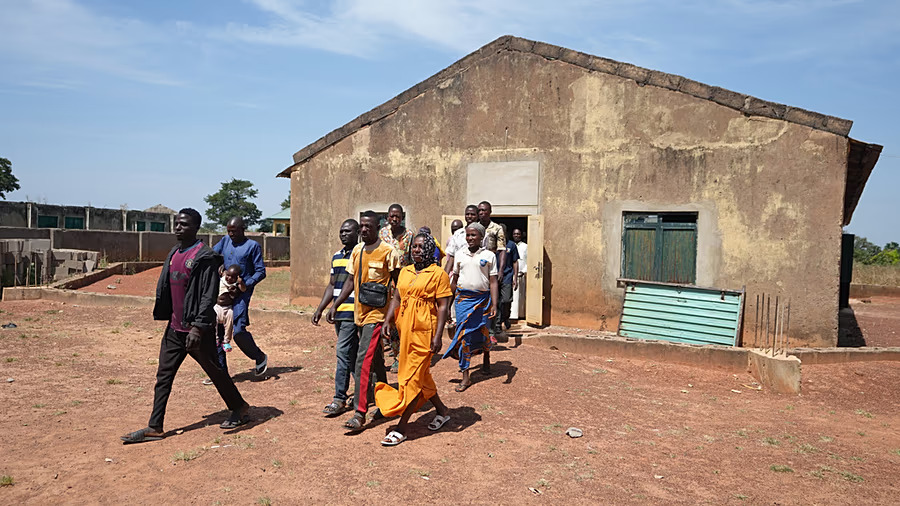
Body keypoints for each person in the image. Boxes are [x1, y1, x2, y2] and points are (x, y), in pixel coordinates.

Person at [120, 209, 250, 444]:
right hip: (174, 329)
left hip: (197, 330)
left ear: (196, 228)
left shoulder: (205, 256)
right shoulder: (174, 252)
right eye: (177, 223)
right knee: (164, 375)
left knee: (215, 371)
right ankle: (155, 427)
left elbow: (208, 295)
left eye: (184, 224)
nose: (178, 227)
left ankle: (239, 407)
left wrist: (198, 328)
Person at [374, 233, 452, 446]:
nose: (416, 250)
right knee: (421, 375)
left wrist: (438, 336)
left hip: (425, 332)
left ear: (429, 250)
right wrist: (388, 320)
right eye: (414, 247)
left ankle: (402, 427)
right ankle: (442, 410)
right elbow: (397, 297)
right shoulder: (405, 271)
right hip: (405, 330)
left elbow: (443, 306)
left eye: (420, 247)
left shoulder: (438, 274)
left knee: (413, 379)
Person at [328, 211, 402, 431]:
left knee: (362, 360)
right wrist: (335, 304)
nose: (364, 230)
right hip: (359, 313)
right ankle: (386, 401)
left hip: (378, 315)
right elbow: (350, 281)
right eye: (362, 226)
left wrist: (392, 316)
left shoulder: (388, 252)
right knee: (377, 359)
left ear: (378, 228)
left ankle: (359, 413)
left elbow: (399, 285)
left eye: (369, 226)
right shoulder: (357, 251)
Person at [312, 219, 361, 417]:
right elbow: (332, 284)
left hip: (351, 311)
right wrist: (320, 308)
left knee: (342, 352)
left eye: (348, 231)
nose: (343, 234)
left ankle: (339, 398)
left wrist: (335, 306)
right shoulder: (337, 256)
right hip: (338, 311)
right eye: (341, 231)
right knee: (351, 354)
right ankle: (366, 391)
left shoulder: (360, 254)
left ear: (357, 232)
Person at [443, 222, 498, 392]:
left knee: (483, 331)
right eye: (468, 235)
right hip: (463, 301)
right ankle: (465, 375)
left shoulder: (489, 255)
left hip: (483, 301)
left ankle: (486, 357)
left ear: (481, 237)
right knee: (464, 336)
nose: (470, 238)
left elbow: (493, 282)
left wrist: (495, 304)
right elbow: (455, 279)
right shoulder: (460, 254)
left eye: (474, 235)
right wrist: (448, 304)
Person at [213, 216, 268, 377]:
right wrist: (218, 266)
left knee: (238, 331)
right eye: (229, 231)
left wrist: (245, 284)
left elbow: (260, 271)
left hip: (241, 294)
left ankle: (259, 356)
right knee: (217, 331)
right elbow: (212, 255)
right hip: (223, 293)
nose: (231, 234)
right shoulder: (225, 241)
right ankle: (220, 373)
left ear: (243, 229)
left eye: (234, 231)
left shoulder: (252, 246)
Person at [378, 203, 414, 373]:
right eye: (392, 216)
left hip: (403, 283)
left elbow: (412, 258)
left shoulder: (409, 235)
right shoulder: (382, 234)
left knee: (402, 320)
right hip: (385, 284)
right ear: (387, 217)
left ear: (402, 217)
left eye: (398, 216)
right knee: (389, 321)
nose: (394, 219)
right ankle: (394, 354)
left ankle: (402, 356)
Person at [205, 264, 246, 382]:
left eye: (232, 277)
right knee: (214, 338)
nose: (229, 278)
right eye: (228, 275)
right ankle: (219, 374)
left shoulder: (235, 284)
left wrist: (239, 283)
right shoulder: (221, 278)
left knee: (229, 323)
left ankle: (226, 342)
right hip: (217, 308)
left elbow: (242, 289)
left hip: (228, 309)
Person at [477, 201, 506, 336]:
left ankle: (492, 330)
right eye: (480, 210)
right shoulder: (475, 227)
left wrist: (500, 270)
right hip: (477, 266)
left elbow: (502, 250)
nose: (482, 213)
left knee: (494, 299)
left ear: (490, 212)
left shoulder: (497, 228)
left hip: (491, 266)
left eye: (484, 210)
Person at [493, 224, 519, 333]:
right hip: (494, 277)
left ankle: (506, 317)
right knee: (497, 301)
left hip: (507, 276)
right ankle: (498, 324)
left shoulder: (511, 245)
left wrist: (515, 278)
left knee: (506, 300)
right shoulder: (493, 246)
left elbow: (515, 262)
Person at [443, 206, 479, 275]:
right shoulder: (458, 234)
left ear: (477, 216)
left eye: (473, 214)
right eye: (467, 214)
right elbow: (451, 257)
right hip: (459, 273)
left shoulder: (483, 234)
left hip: (476, 272)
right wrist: (444, 276)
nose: (469, 216)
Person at [510, 229, 528, 320]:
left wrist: (524, 271)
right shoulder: (510, 245)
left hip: (522, 274)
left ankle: (520, 315)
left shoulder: (525, 246)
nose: (516, 235)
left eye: (518, 234)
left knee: (521, 296)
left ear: (521, 235)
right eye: (514, 234)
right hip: (511, 274)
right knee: (512, 295)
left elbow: (528, 259)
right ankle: (512, 315)